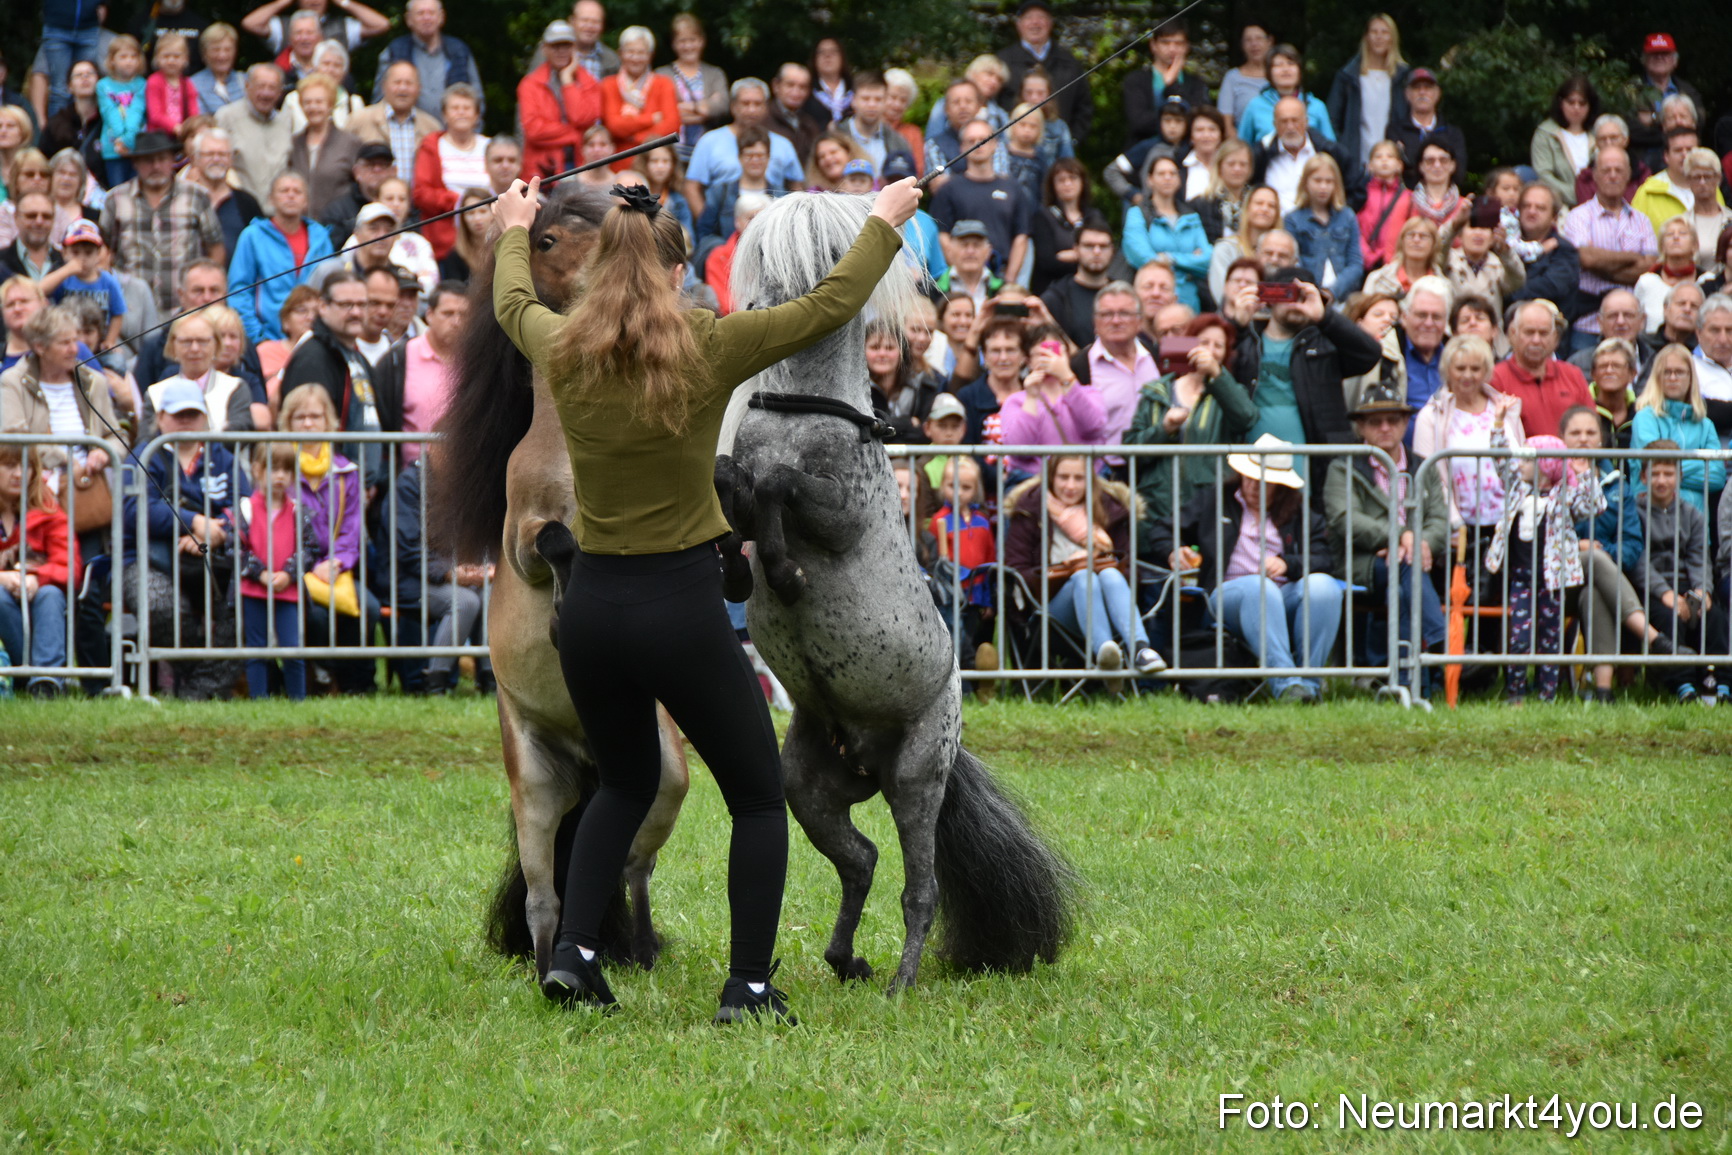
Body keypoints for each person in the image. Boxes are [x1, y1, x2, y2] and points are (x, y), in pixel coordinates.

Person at [487, 168, 922, 1020]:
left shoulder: (561, 346)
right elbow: (830, 306)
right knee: (758, 794)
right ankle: (748, 988)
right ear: (675, 270)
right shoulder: (710, 342)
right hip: (677, 608)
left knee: (620, 783)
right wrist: (883, 220)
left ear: (595, 268)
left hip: (594, 615)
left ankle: (574, 954)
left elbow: (509, 302)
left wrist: (513, 223)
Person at [1157, 435, 1340, 701]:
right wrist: (1174, 550)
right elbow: (1164, 529)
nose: (1253, 486)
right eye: (1248, 476)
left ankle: (1309, 688)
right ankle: (1286, 684)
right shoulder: (1215, 500)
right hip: (1226, 597)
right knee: (1259, 587)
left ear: (1279, 485)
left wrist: (1288, 564)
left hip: (1283, 595)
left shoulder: (1299, 512)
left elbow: (1325, 557)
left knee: (1325, 587)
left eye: (1263, 481)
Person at [1325, 380, 1448, 678]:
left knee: (1405, 570)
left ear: (1405, 423)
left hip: (1414, 560)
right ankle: (1440, 645)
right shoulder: (1344, 467)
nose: (1384, 428)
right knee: (1406, 567)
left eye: (1392, 420)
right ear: (1361, 428)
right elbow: (1345, 518)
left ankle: (1404, 679)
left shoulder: (1423, 466)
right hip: (1363, 561)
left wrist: (1416, 542)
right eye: (1375, 422)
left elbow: (1440, 521)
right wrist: (1398, 535)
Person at [1004, 453, 1163, 674]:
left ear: (1091, 480)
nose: (1070, 486)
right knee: (1082, 576)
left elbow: (1131, 573)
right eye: (1063, 477)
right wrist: (1066, 568)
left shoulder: (1110, 509)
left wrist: (1101, 564)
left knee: (1109, 574)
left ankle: (1138, 649)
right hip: (1051, 611)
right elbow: (1017, 572)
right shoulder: (1030, 508)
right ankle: (1107, 655)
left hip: (1110, 604)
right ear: (1051, 478)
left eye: (1079, 478)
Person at [1482, 409, 1601, 703]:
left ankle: (1547, 694)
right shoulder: (1517, 489)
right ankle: (1516, 692)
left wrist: (1584, 473)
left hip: (1552, 580)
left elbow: (1595, 505)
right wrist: (1498, 424)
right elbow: (1500, 459)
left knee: (1550, 639)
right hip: (1521, 579)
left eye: (1527, 460)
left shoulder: (1564, 495)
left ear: (1546, 465)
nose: (1520, 465)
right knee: (1519, 638)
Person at [1556, 404, 1671, 702]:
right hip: (1555, 575)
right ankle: (1652, 637)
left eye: (1590, 432)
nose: (1583, 439)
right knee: (1593, 559)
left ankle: (1603, 690)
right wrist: (1576, 547)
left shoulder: (1618, 483)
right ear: (1562, 438)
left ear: (1602, 440)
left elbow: (1632, 544)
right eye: (1575, 433)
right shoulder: (1549, 477)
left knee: (1595, 586)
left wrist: (1603, 551)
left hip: (1600, 579)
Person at [276, 379, 380, 695]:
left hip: (335, 567)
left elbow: (351, 529)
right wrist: (307, 568)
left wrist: (336, 562)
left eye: (315, 416)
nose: (308, 423)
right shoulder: (280, 470)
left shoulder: (346, 471)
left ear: (329, 422)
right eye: (300, 417)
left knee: (369, 607)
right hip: (294, 569)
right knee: (317, 614)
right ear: (287, 423)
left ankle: (358, 684)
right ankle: (320, 677)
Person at [1232, 267, 1380, 466]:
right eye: (1288, 294)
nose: (1296, 303)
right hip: (1252, 467)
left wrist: (1324, 317)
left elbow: (1369, 354)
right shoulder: (1247, 342)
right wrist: (1236, 326)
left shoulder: (1326, 344)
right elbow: (1215, 367)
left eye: (1304, 296)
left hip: (1316, 466)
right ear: (1270, 298)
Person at [1123, 312, 1256, 526]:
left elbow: (1247, 418)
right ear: (1189, 344)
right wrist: (1164, 429)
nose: (1210, 351)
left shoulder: (1230, 393)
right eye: (1204, 342)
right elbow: (1131, 450)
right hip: (1158, 504)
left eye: (1218, 346)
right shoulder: (1158, 391)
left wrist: (1217, 375)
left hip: (1207, 508)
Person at [1630, 442, 1718, 702]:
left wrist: (1703, 590)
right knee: (1670, 617)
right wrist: (1666, 594)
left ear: (1679, 476)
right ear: (1644, 477)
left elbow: (1699, 557)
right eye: (1655, 474)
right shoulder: (1634, 512)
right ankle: (1681, 685)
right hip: (1653, 589)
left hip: (1686, 583)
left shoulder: (1692, 514)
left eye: (1668, 474)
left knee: (1715, 617)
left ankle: (1718, 682)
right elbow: (1639, 561)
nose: (1661, 480)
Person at [1412, 334, 1524, 538]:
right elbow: (1429, 477)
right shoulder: (1431, 415)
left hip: (1511, 523)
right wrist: (1454, 525)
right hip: (1461, 528)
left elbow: (1521, 463)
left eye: (1475, 368)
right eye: (1460, 368)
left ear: (1486, 371)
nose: (1468, 375)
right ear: (1447, 370)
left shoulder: (1504, 408)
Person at [1561, 146, 1658, 351]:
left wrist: (1600, 263)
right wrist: (1632, 258)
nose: (1613, 176)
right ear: (1595, 175)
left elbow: (1650, 268)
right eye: (1606, 170)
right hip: (1588, 324)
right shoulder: (1578, 216)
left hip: (1632, 326)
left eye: (1619, 170)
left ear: (1628, 175)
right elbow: (1586, 258)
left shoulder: (1641, 220)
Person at [232, 439, 308, 700]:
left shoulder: (299, 511)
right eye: (273, 468)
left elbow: (309, 549)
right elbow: (237, 549)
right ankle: (259, 700)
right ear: (256, 470)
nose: (280, 476)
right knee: (256, 650)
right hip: (253, 590)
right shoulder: (245, 508)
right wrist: (260, 573)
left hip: (288, 591)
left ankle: (298, 700)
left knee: (293, 650)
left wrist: (288, 573)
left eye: (286, 470)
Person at [0, 442, 76, 696]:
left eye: (27, 466)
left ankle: (46, 682)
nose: (19, 474)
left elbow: (71, 567)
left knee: (51, 595)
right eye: (9, 465)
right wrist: (3, 577)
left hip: (38, 599)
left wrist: (35, 577)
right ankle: (19, 673)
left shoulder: (48, 509)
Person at [229, 171, 334, 342]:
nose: (291, 195)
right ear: (271, 198)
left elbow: (330, 289)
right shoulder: (253, 236)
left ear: (306, 201)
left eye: (297, 192)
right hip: (267, 339)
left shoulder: (321, 238)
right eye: (284, 191)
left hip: (316, 340)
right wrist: (258, 338)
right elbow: (239, 292)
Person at [682, 79, 801, 219]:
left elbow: (797, 188)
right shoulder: (709, 141)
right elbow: (691, 188)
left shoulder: (783, 144)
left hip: (773, 223)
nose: (751, 109)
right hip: (724, 225)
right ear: (733, 107)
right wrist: (707, 227)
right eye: (745, 103)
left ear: (766, 108)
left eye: (757, 104)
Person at [931, 120, 1031, 280]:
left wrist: (1009, 280)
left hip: (1003, 274)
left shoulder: (1012, 188)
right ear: (962, 147)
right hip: (961, 278)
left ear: (995, 145)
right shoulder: (949, 189)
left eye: (984, 140)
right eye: (971, 141)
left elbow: (1021, 236)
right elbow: (943, 236)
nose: (978, 145)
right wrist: (961, 273)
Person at [1630, 344, 1724, 512]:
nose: (1673, 377)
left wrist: (1671, 468)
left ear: (1690, 377)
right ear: (1657, 377)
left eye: (1679, 372)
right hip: (1653, 520)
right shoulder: (1645, 418)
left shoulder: (1705, 425)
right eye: (1667, 372)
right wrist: (1699, 464)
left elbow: (1717, 477)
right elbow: (1653, 468)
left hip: (1697, 524)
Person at [1492, 300, 1594, 440]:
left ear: (1554, 338)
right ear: (1513, 334)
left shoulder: (1573, 375)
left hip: (1570, 461)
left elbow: (1591, 427)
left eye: (1544, 333)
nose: (1536, 340)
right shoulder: (1496, 378)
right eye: (1529, 332)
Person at [141, 312, 250, 440]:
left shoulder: (235, 387)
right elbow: (145, 443)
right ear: (173, 345)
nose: (194, 348)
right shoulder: (155, 393)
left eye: (202, 341)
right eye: (186, 342)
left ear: (216, 345)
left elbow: (237, 436)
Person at [369, 0, 480, 125]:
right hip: (406, 131)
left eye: (431, 13)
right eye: (420, 13)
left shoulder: (459, 51)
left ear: (441, 17)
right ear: (409, 19)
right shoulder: (395, 51)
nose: (426, 18)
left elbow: (476, 97)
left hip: (451, 135)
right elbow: (379, 98)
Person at [995, 0, 1090, 144]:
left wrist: (1073, 139)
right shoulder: (1003, 61)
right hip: (1013, 149)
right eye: (1029, 18)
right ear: (1019, 24)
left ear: (1050, 23)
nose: (1035, 23)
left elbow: (1084, 106)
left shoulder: (1070, 62)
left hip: (1058, 149)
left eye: (1041, 17)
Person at [1326, 13, 1410, 175]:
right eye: (1374, 32)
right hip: (1356, 159)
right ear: (1366, 37)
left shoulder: (1403, 77)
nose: (1379, 37)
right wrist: (1343, 148)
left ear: (1392, 38)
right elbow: (1332, 119)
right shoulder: (1348, 76)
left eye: (1384, 32)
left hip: (1392, 160)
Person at [1123, 153, 1209, 309]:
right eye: (1161, 173)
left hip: (1188, 303)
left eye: (1172, 173)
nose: (1167, 178)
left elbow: (1207, 259)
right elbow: (1142, 258)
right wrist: (1190, 262)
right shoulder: (1137, 214)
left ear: (1179, 179)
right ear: (1150, 180)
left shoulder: (1192, 216)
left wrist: (1171, 258)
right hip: (1153, 299)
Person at [410, 83, 486, 260]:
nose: (461, 112)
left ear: (476, 115)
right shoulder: (432, 146)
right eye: (455, 108)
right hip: (446, 242)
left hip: (488, 241)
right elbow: (421, 193)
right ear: (444, 114)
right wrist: (463, 203)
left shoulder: (489, 146)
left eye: (467, 108)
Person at [1251, 95, 1353, 217]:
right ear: (1275, 124)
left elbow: (1354, 191)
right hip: (1274, 229)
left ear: (1306, 122)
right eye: (1284, 121)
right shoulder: (1260, 155)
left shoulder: (1330, 151)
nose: (1290, 127)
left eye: (1295, 120)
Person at [1284, 154, 1363, 298]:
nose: (1323, 187)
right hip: (1307, 295)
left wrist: (1332, 291)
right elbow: (1294, 263)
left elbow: (1355, 263)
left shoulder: (1347, 216)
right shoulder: (1292, 220)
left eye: (1329, 181)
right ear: (1306, 182)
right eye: (1317, 180)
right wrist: (1313, 292)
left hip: (1343, 295)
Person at [348, 60, 438, 184]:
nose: (402, 88)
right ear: (384, 86)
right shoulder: (359, 120)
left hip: (416, 202)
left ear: (419, 88)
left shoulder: (431, 127)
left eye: (409, 83)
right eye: (397, 82)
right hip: (369, 200)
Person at [1122, 20, 1209, 147]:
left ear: (1186, 47)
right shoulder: (1136, 80)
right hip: (1143, 151)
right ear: (1153, 45)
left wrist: (1171, 85)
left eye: (1178, 43)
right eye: (1165, 42)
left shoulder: (1196, 83)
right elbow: (1139, 123)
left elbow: (1199, 120)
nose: (1172, 49)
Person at [656, 13, 728, 164]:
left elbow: (722, 107)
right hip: (671, 155)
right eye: (682, 41)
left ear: (702, 41)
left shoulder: (715, 74)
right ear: (674, 44)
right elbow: (659, 114)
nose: (688, 46)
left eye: (692, 40)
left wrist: (684, 109)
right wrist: (703, 108)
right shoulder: (661, 74)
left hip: (708, 154)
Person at [286, 73, 360, 220]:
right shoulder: (294, 143)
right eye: (307, 102)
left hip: (338, 226)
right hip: (300, 227)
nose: (313, 107)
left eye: (319, 102)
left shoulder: (351, 143)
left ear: (330, 105)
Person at [214, 64, 292, 202]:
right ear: (247, 86)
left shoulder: (286, 120)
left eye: (272, 87)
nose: (266, 93)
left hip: (278, 212)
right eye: (261, 86)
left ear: (280, 92)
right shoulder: (226, 117)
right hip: (241, 208)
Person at [600, 26, 677, 165]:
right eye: (630, 52)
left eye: (641, 52)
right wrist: (651, 119)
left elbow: (672, 125)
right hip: (619, 162)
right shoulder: (609, 84)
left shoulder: (664, 83)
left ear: (651, 55)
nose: (635, 58)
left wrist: (634, 138)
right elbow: (614, 125)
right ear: (620, 53)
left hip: (654, 164)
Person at [45, 220, 123, 351]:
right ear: (64, 253)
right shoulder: (63, 278)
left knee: (117, 363)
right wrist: (66, 270)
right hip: (66, 343)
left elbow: (118, 313)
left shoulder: (108, 281)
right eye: (75, 253)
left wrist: (110, 340)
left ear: (98, 254)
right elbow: (39, 291)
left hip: (98, 344)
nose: (82, 259)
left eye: (88, 253)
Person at [1507, 181, 1582, 318]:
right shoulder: (1508, 246)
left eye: (1540, 208)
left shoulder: (1564, 250)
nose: (1532, 211)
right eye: (1526, 206)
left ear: (1554, 217)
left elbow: (1550, 287)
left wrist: (1506, 294)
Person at [1629, 33, 1705, 166]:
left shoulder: (1688, 90)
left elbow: (1699, 121)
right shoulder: (1630, 90)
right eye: (1654, 54)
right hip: (1644, 162)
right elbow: (1630, 130)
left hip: (1686, 159)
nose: (1659, 57)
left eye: (1665, 54)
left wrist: (1654, 118)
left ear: (1675, 60)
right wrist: (1675, 129)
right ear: (1644, 59)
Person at [1444, 197, 1524, 320]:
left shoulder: (1500, 265)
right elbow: (1436, 248)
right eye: (1472, 227)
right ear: (1460, 234)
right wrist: (1453, 225)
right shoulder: (1448, 259)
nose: (1478, 233)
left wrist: (1505, 251)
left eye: (1484, 228)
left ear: (1493, 236)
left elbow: (1518, 279)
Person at [1238, 44, 1333, 146]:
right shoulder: (1255, 106)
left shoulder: (1317, 106)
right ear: (1269, 72)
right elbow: (1242, 147)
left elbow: (1331, 149)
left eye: (1291, 63)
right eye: (1278, 65)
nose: (1285, 69)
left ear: (1299, 70)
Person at [1039, 223, 1116, 348]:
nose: (1097, 252)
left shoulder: (1124, 296)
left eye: (1103, 246)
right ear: (1076, 249)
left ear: (1112, 250)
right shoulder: (1055, 299)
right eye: (1089, 246)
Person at [1631, 127, 1713, 238]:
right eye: (1678, 150)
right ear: (1666, 156)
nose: (1685, 155)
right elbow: (1633, 239)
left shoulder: (1712, 188)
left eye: (1690, 150)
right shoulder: (1647, 193)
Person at [1531, 75, 1599, 210]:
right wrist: (1578, 195)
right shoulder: (1545, 133)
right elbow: (1544, 175)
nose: (1576, 108)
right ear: (1561, 102)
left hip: (1599, 204)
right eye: (1571, 102)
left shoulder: (1599, 133)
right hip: (1560, 207)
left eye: (1582, 103)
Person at [1207, 184, 1280, 303]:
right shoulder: (1226, 249)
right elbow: (1221, 295)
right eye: (1259, 203)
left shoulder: (1282, 252)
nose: (1265, 209)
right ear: (1247, 208)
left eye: (1271, 206)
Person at [1633, 220, 1701, 333]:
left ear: (1694, 245)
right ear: (1662, 246)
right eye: (1670, 234)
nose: (1676, 237)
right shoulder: (1647, 282)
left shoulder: (1706, 281)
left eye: (1683, 233)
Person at [1355, 140, 1410, 270]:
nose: (1384, 160)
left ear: (1399, 165)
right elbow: (1354, 225)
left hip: (1395, 262)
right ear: (1370, 166)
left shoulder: (1407, 196)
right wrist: (1367, 254)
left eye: (1390, 156)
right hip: (1364, 260)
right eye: (1378, 156)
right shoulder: (1360, 193)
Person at [1188, 138, 1253, 245]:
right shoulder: (1201, 204)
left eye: (1243, 164)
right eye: (1231, 164)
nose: (1237, 169)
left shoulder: (1255, 202)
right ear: (1219, 166)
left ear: (1250, 169)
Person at [39, 61, 103, 162]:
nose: (85, 77)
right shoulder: (57, 124)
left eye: (90, 74)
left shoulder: (108, 120)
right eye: (78, 75)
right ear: (69, 87)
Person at [765, 62, 823, 166]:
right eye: (790, 85)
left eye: (802, 87)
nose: (796, 92)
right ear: (776, 86)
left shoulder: (810, 124)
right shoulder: (763, 118)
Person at [144, 32, 198, 138]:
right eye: (166, 56)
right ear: (157, 58)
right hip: (158, 135)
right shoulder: (154, 81)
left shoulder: (188, 83)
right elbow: (155, 115)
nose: (171, 61)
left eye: (176, 56)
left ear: (185, 59)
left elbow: (194, 112)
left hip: (182, 133)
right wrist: (175, 127)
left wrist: (190, 127)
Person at [1, 193, 65, 284]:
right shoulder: (2, 261)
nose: (39, 222)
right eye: (31, 216)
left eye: (46, 216)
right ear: (16, 218)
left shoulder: (65, 262)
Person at [1218, 24, 1272, 129]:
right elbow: (1226, 120)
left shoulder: (1279, 74)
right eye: (1248, 40)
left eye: (1259, 38)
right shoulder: (1232, 77)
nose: (1254, 44)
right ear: (1242, 45)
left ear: (1269, 41)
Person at [190, 23, 244, 115]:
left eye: (227, 49)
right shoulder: (193, 84)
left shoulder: (245, 81)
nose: (222, 56)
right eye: (216, 50)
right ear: (204, 53)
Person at [1407, 140, 1462, 227]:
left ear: (1453, 165)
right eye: (1430, 161)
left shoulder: (1463, 206)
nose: (1437, 165)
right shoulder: (1407, 202)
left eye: (1443, 160)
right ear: (1421, 166)